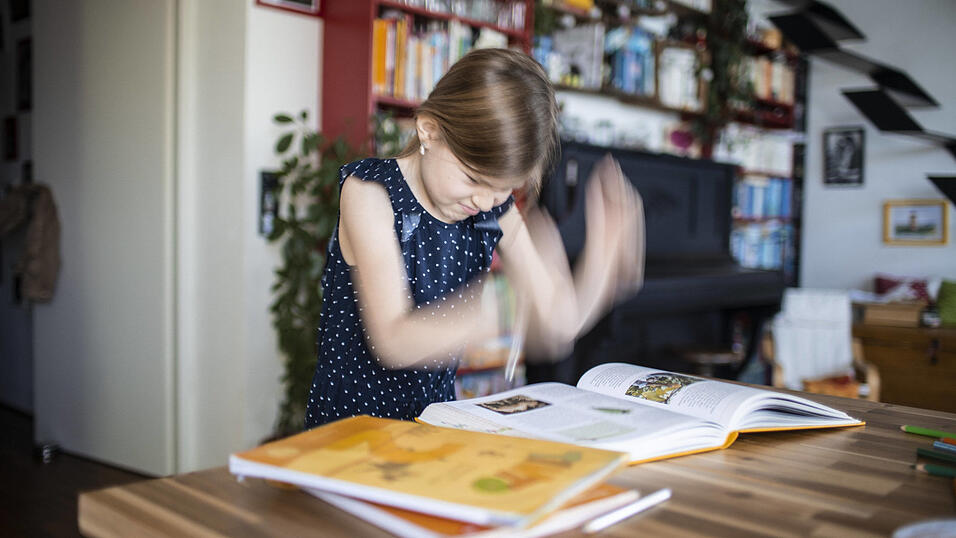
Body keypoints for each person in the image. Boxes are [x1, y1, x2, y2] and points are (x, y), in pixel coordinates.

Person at [304, 48, 644, 428]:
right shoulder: (370, 193)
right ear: (428, 130)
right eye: (473, 179)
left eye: (503, 188)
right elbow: (394, 342)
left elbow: (558, 324)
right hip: (349, 433)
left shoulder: (492, 210)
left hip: (432, 430)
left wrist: (604, 253)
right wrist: (502, 311)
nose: (484, 200)